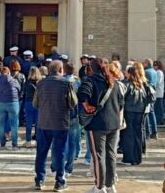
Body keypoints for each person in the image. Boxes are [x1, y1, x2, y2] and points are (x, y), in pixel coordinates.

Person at [77, 59, 125, 193]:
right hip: (114, 123)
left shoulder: (90, 80)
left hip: (98, 123)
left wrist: (86, 105)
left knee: (98, 156)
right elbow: (121, 102)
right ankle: (110, 185)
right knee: (111, 155)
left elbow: (81, 94)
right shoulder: (114, 82)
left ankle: (99, 186)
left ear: (91, 68)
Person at [33, 60, 77, 191]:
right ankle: (59, 181)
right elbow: (73, 103)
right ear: (61, 70)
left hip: (44, 122)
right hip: (60, 122)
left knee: (41, 152)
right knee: (60, 153)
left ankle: (39, 180)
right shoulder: (66, 83)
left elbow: (35, 103)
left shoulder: (41, 83)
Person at [121, 65, 152, 166]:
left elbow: (122, 98)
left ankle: (129, 158)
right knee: (138, 134)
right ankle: (137, 157)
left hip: (129, 111)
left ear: (129, 73)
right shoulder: (142, 84)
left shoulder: (127, 84)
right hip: (140, 111)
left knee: (128, 134)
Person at [63, 62, 82, 176]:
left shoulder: (60, 81)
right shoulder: (78, 83)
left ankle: (61, 162)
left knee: (62, 140)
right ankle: (69, 167)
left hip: (62, 114)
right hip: (74, 113)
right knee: (72, 141)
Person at [0, 65, 22, 150]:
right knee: (14, 125)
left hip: (1, 103)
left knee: (2, 124)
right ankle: (14, 145)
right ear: (8, 72)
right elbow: (19, 89)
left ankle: (2, 145)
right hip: (13, 102)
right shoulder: (14, 80)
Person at [23, 67, 41, 147]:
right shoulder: (40, 83)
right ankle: (38, 141)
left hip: (29, 102)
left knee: (29, 123)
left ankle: (28, 141)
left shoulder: (27, 82)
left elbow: (24, 92)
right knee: (38, 124)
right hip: (38, 103)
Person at [153, 60, 165, 126]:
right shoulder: (158, 72)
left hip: (158, 92)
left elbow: (157, 81)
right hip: (158, 92)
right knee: (158, 107)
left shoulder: (159, 72)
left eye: (155, 65)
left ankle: (160, 120)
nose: (154, 67)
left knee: (159, 107)